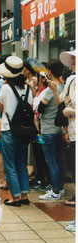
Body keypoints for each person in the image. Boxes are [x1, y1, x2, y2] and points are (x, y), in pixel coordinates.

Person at [0, 56, 33, 207]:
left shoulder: (5, 88)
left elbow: (0, 109)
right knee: (21, 163)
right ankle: (24, 195)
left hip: (8, 130)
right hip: (24, 132)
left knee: (10, 165)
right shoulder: (28, 88)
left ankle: (15, 198)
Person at [50, 50, 76, 231]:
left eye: (75, 58)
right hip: (74, 133)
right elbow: (61, 104)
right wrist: (54, 90)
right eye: (72, 59)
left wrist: (72, 112)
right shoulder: (71, 80)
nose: (72, 62)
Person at [37, 60, 65, 200]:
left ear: (50, 71)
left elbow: (40, 108)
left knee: (52, 162)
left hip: (48, 129)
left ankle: (55, 191)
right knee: (59, 160)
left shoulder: (50, 90)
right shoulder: (64, 87)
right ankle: (60, 188)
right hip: (59, 130)